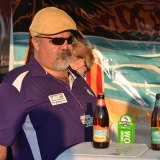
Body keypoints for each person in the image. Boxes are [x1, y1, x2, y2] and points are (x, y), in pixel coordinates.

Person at [0, 7, 96, 160]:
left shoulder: (78, 79)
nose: (65, 46)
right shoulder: (18, 83)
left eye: (69, 40)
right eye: (57, 41)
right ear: (36, 44)